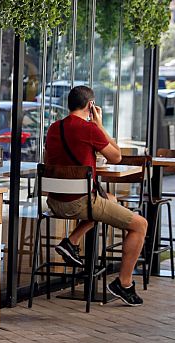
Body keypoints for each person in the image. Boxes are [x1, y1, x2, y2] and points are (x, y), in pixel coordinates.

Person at [45, 85, 148, 306]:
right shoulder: (89, 129)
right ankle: (124, 283)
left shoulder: (54, 127)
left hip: (54, 202)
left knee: (109, 200)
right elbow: (117, 157)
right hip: (79, 203)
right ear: (90, 105)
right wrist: (100, 125)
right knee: (140, 225)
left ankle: (71, 241)